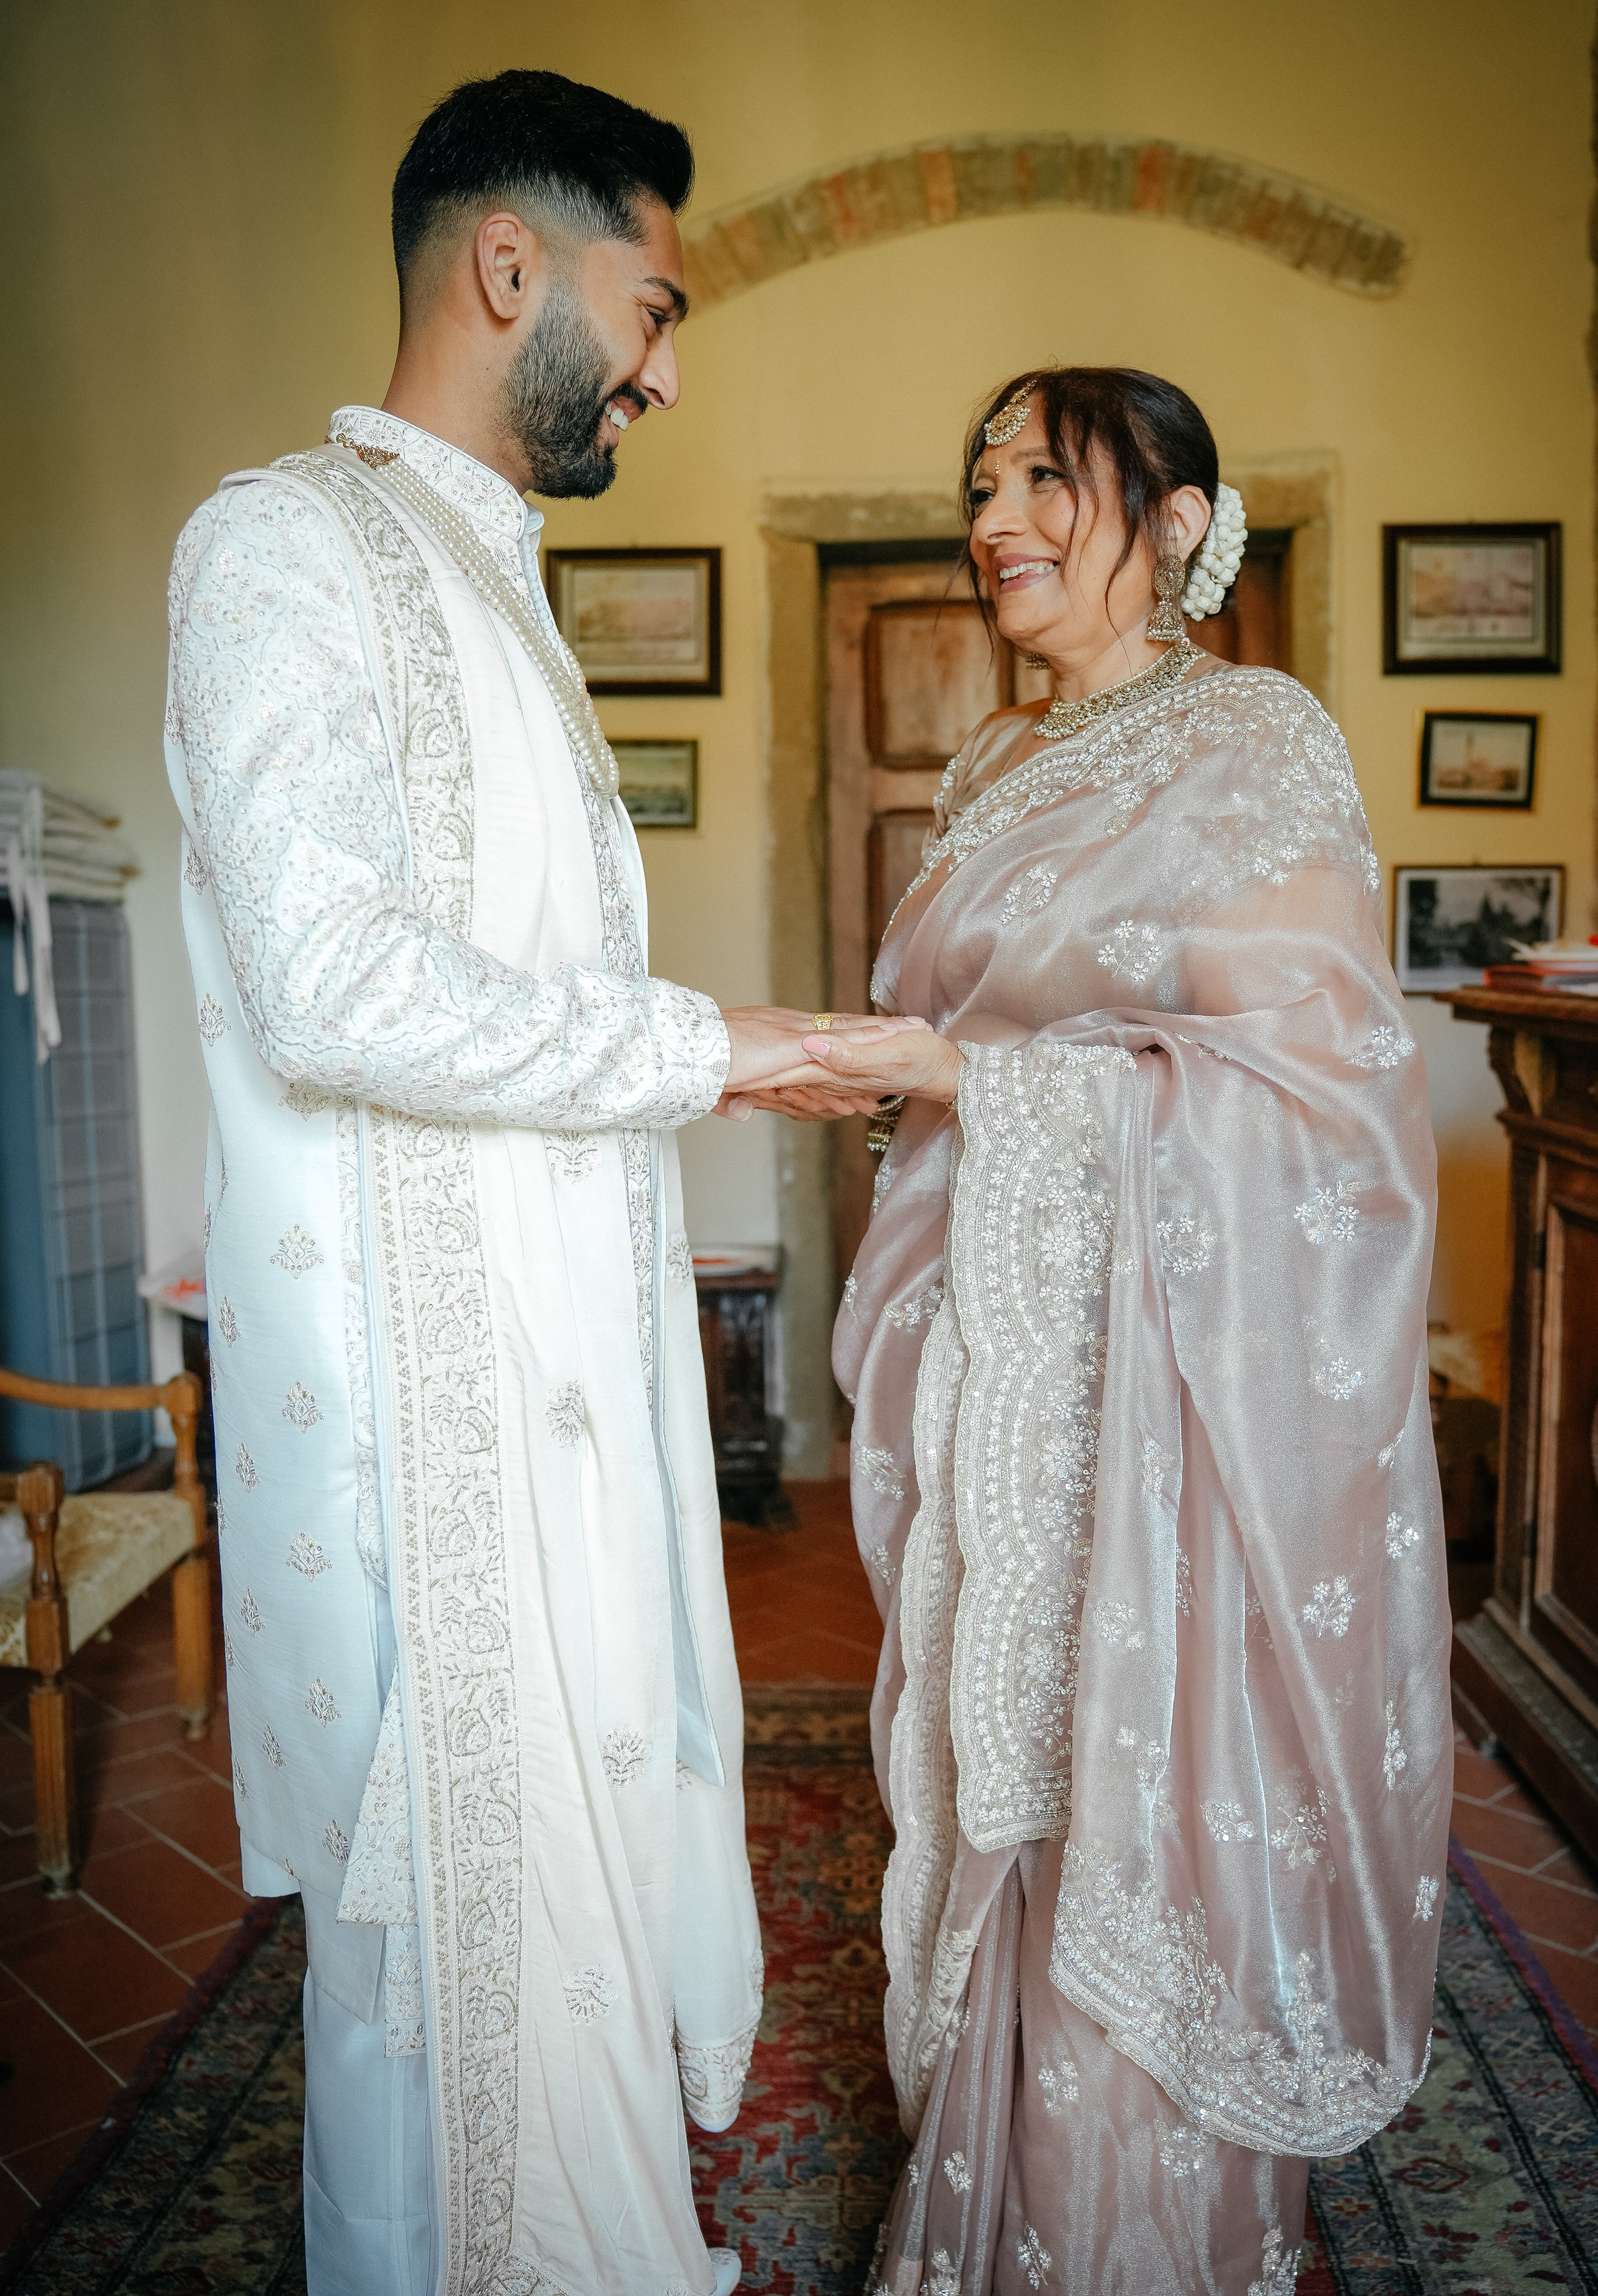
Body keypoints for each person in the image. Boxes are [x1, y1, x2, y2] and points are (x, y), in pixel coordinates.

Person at [165, 69, 890, 2296]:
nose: (665, 367)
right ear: (512, 267)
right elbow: (328, 979)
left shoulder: (510, 597)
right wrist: (724, 1045)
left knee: (579, 1981)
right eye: (651, 303)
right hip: (432, 1460)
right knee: (450, 2039)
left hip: (579, 1420)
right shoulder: (280, 543)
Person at [752, 368, 1453, 2293]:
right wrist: (930, 1083)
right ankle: (992, 2170)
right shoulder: (985, 768)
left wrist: (977, 1076)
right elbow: (970, 1059)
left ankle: (1132, 2217)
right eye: (977, 482)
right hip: (1001, 1353)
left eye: (1044, 477)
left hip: (1159, 1376)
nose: (994, 516)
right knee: (995, 1775)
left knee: (1134, 1773)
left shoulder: (1249, 739)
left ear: (1174, 517)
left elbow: (1312, 1099)